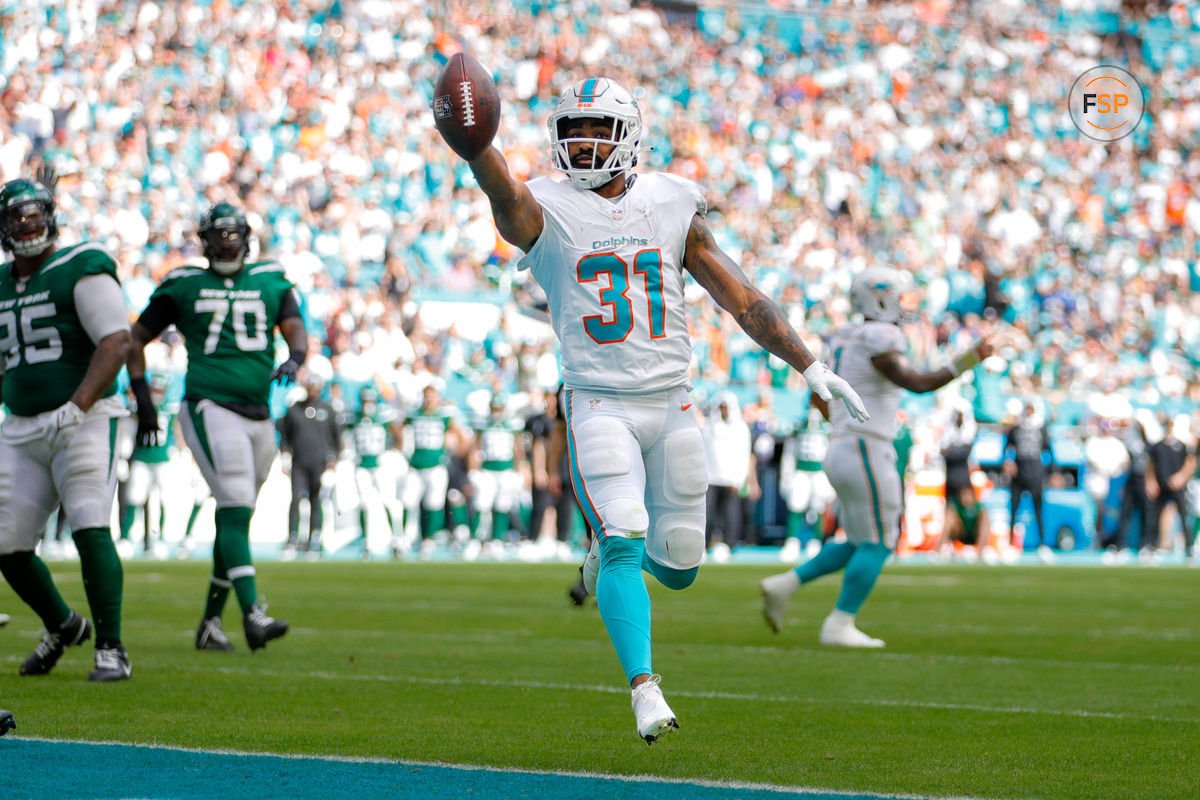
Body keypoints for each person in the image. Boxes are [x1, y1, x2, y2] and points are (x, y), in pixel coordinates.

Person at [438, 75, 867, 742]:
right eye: (571, 130)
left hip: (672, 404)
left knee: (680, 562)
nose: (580, 143)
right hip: (598, 402)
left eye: (595, 129)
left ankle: (603, 557)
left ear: (628, 136)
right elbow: (505, 195)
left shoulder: (670, 201)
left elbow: (742, 296)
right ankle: (643, 684)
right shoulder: (543, 206)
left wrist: (808, 363)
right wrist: (475, 148)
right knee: (623, 540)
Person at [761, 265, 991, 648]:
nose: (904, 306)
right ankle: (839, 622)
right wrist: (970, 359)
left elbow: (818, 395)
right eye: (900, 298)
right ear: (881, 297)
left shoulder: (843, 337)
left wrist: (841, 426)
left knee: (858, 540)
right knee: (882, 539)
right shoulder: (880, 336)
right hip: (864, 445)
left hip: (845, 444)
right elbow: (917, 383)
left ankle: (785, 584)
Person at [128, 202, 302, 652]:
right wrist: (145, 400)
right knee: (236, 502)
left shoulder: (270, 278)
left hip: (259, 409)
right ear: (204, 242)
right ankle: (251, 614)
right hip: (210, 404)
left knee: (236, 514)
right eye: (219, 236)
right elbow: (134, 340)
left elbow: (294, 325)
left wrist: (297, 357)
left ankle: (209, 624)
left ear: (246, 237)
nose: (227, 243)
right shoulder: (183, 284)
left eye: (233, 235)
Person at [0, 173, 133, 681]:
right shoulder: (1, 282)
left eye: (36, 214)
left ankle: (112, 647)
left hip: (85, 418)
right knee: (7, 545)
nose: (28, 224)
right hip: (21, 425)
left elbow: (116, 341)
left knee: (88, 523)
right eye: (17, 217)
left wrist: (77, 404)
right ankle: (61, 624)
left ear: (52, 218)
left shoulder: (81, 264)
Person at [278, 374, 342, 557]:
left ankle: (314, 538)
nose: (313, 389)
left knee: (316, 500)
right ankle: (292, 537)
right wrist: (285, 457)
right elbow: (285, 436)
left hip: (320, 464)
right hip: (299, 463)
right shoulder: (294, 410)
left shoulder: (328, 410)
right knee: (296, 499)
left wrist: (333, 462)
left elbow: (336, 440)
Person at [402, 384, 460, 559]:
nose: (430, 399)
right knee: (408, 501)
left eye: (433, 395)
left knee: (433, 504)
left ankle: (428, 540)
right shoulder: (414, 414)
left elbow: (462, 436)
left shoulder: (444, 415)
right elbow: (399, 429)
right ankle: (405, 538)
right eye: (427, 395)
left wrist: (451, 452)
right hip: (416, 464)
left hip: (436, 465)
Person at [348, 385, 403, 559]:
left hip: (380, 465)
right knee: (365, 503)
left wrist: (394, 452)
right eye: (365, 401)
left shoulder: (383, 417)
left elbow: (398, 435)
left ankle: (396, 541)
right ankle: (366, 543)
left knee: (388, 501)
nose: (368, 404)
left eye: (370, 400)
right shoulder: (354, 418)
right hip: (362, 465)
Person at [468, 394, 524, 556]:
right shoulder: (484, 425)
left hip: (506, 470)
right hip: (487, 470)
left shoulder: (511, 426)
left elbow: (518, 449)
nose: (497, 412)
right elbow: (475, 448)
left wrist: (520, 469)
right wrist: (473, 470)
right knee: (481, 504)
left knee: (502, 505)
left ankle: (497, 540)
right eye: (495, 409)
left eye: (499, 409)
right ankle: (475, 540)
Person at [703, 391, 757, 561]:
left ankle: (729, 544)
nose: (723, 411)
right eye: (721, 407)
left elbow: (743, 454)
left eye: (726, 407)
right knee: (706, 513)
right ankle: (703, 545)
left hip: (731, 478)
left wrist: (740, 479)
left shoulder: (740, 428)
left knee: (731, 513)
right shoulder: (708, 426)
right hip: (711, 477)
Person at [778, 408, 834, 562]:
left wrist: (831, 479)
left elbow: (832, 453)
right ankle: (792, 541)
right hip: (801, 470)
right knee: (796, 504)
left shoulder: (828, 428)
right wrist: (786, 475)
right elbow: (789, 453)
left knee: (818, 506)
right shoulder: (798, 427)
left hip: (820, 471)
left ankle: (815, 542)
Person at [1146, 415, 1194, 561]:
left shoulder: (1181, 445)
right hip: (1162, 485)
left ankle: (1188, 549)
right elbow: (1151, 465)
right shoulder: (1158, 445)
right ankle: (1151, 546)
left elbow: (1190, 463)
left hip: (1177, 486)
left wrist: (1181, 477)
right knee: (1154, 516)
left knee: (1184, 516)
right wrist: (1151, 481)